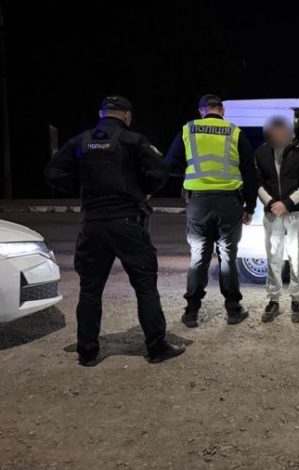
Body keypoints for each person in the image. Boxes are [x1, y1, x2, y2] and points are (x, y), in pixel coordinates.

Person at [45, 96, 185, 366]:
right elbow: (161, 171)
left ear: (101, 114)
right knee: (145, 287)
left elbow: (53, 173)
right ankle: (157, 349)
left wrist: (84, 189)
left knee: (90, 290)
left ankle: (87, 353)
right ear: (128, 116)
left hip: (93, 224)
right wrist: (141, 189)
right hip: (128, 223)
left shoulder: (81, 141)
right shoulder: (134, 141)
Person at [165, 95, 258, 328]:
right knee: (228, 256)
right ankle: (233, 310)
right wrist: (250, 206)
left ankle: (191, 312)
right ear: (222, 110)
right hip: (229, 202)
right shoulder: (234, 132)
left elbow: (170, 166)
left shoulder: (188, 130)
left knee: (198, 257)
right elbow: (250, 172)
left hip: (198, 202)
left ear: (201, 110)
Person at [255, 117, 299, 323]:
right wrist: (273, 203)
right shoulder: (261, 152)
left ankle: (296, 300)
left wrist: (287, 204)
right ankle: (274, 300)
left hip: (295, 212)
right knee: (273, 257)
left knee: (296, 257)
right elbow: (258, 183)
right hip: (273, 212)